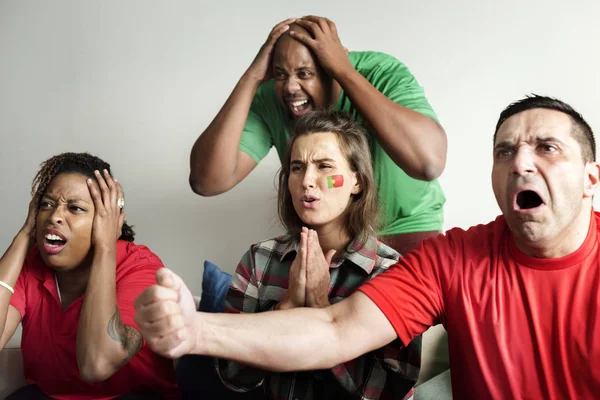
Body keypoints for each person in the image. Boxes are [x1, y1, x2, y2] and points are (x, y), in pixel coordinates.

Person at [135, 95, 600, 399]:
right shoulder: (450, 259)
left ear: (590, 179)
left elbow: (388, 387)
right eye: (504, 151)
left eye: (547, 148)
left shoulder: (386, 264)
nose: (520, 163)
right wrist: (194, 329)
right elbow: (336, 330)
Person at [189, 15, 447, 256]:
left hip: (403, 232)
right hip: (329, 238)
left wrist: (345, 72)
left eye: (305, 74)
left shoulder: (379, 72)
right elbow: (207, 181)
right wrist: (252, 77)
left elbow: (428, 163)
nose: (290, 87)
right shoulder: (271, 94)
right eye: (281, 74)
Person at [213, 110, 419, 400]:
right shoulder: (259, 260)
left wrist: (321, 309)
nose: (307, 180)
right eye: (297, 167)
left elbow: (390, 392)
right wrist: (286, 308)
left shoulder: (391, 272)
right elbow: (232, 375)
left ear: (356, 182)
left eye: (324, 166)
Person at [0, 153, 180, 399]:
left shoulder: (140, 267)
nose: (54, 217)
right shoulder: (29, 264)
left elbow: (97, 364)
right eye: (47, 205)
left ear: (107, 220)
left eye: (75, 208)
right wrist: (23, 235)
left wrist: (106, 244)